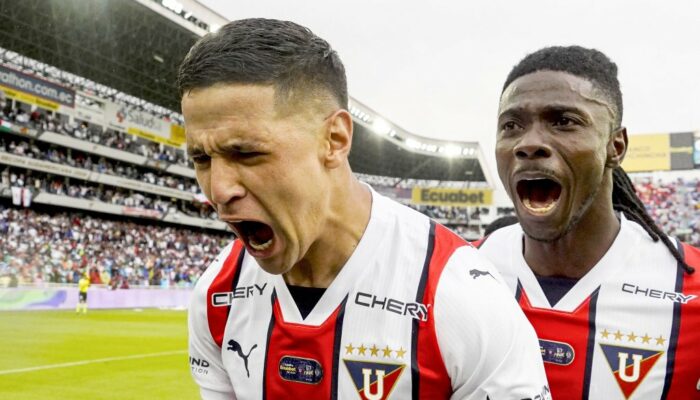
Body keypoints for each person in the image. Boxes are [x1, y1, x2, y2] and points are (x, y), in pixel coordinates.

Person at [180, 18, 549, 400]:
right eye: (201, 158)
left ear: (334, 139)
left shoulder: (459, 295)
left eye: (246, 153)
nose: (218, 190)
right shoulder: (218, 293)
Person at [477, 45, 700, 399]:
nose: (529, 143)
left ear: (616, 146)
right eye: (511, 125)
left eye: (564, 121)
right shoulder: (458, 273)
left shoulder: (689, 290)